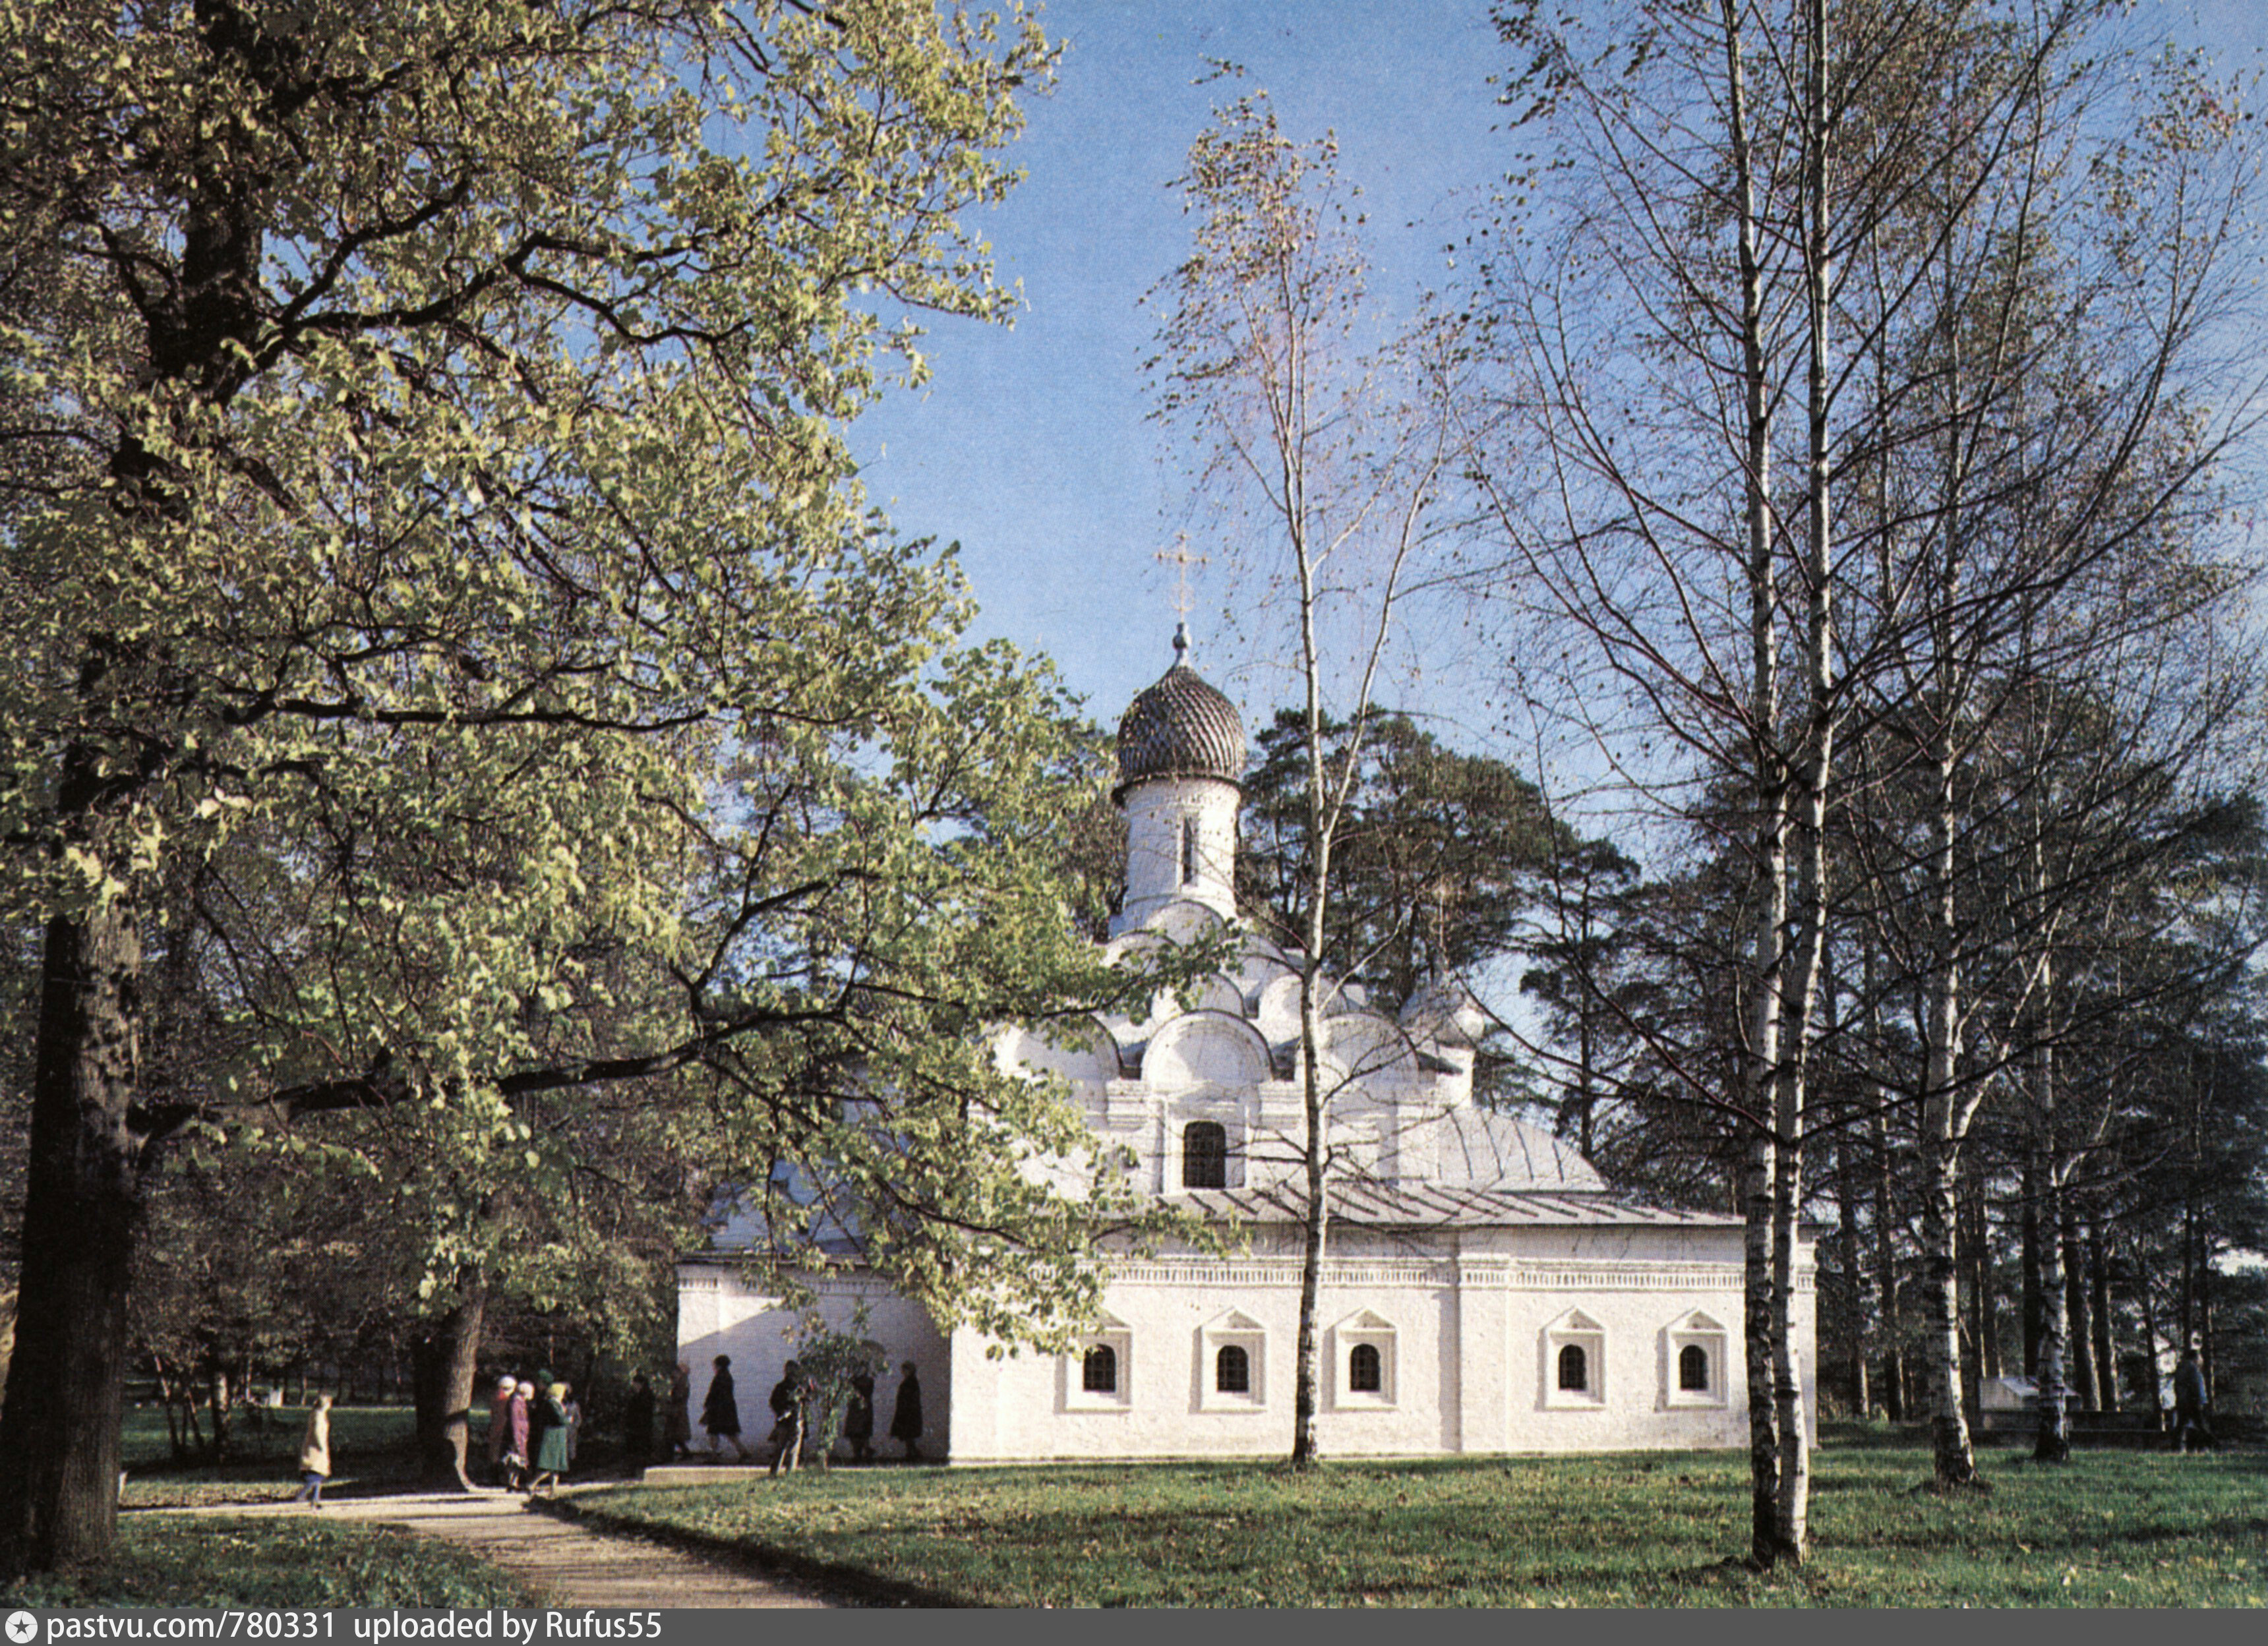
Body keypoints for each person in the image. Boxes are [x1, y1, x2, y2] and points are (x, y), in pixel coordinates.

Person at [703, 1353, 752, 1461]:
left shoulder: (720, 1377)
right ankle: (743, 1452)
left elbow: (715, 1394)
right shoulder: (727, 1376)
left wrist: (709, 1405)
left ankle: (714, 1456)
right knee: (730, 1433)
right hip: (727, 1410)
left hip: (719, 1410)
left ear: (719, 1365)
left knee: (714, 1432)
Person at [289, 1393, 332, 1508]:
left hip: (317, 1447)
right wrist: (321, 1446)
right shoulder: (318, 1415)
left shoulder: (320, 1414)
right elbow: (317, 1432)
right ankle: (302, 1495)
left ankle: (315, 1499)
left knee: (319, 1474)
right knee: (315, 1474)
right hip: (315, 1448)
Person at [528, 1379, 572, 1495]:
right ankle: (532, 1484)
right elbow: (560, 1419)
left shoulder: (557, 1404)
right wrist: (568, 1420)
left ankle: (553, 1490)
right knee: (549, 1465)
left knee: (556, 1467)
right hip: (553, 1436)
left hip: (558, 1436)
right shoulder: (551, 1404)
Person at [767, 1360, 808, 1476]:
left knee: (781, 1448)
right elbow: (807, 1399)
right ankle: (789, 1473)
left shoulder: (781, 1387)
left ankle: (774, 1472)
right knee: (793, 1449)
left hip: (785, 1421)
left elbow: (773, 1402)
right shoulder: (798, 1388)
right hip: (794, 1420)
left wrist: (780, 1412)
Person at [2174, 1347, 2215, 1453]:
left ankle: (2176, 1448)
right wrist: (2202, 1401)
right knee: (2201, 1426)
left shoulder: (2180, 1369)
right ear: (2195, 1358)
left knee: (2181, 1427)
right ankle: (2213, 1446)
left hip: (2182, 1402)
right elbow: (2197, 1386)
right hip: (2193, 1402)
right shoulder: (2193, 1370)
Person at [485, 1376, 517, 1486]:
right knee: (501, 1454)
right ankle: (499, 1478)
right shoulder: (506, 1399)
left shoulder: (495, 1397)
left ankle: (495, 1477)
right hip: (502, 1428)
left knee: (494, 1453)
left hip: (494, 1428)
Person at [890, 1361, 923, 1462]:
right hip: (906, 1411)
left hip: (909, 1412)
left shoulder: (911, 1383)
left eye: (905, 1370)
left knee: (909, 1435)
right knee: (907, 1436)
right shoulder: (909, 1382)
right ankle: (911, 1453)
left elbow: (910, 1398)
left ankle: (913, 1453)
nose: (903, 1372)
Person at [624, 1371, 657, 1469]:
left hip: (642, 1424)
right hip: (636, 1424)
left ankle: (641, 1465)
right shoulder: (638, 1395)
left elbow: (643, 1409)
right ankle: (637, 1465)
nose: (634, 1386)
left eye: (635, 1384)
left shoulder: (646, 1395)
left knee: (642, 1445)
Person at [663, 1362, 694, 1461]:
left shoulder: (682, 1381)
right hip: (677, 1409)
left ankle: (678, 1454)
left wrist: (670, 1398)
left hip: (677, 1410)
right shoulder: (681, 1380)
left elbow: (679, 1395)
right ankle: (684, 1452)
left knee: (674, 1433)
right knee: (674, 1433)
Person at [845, 1369, 875, 1465]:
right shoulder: (868, 1381)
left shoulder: (857, 1381)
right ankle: (862, 1453)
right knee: (861, 1434)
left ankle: (859, 1454)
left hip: (859, 1410)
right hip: (861, 1409)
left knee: (858, 1433)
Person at [562, 1382, 583, 1471]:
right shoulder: (558, 1403)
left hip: (571, 1431)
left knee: (571, 1451)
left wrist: (575, 1427)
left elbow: (578, 1418)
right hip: (561, 1430)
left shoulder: (574, 1405)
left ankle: (571, 1470)